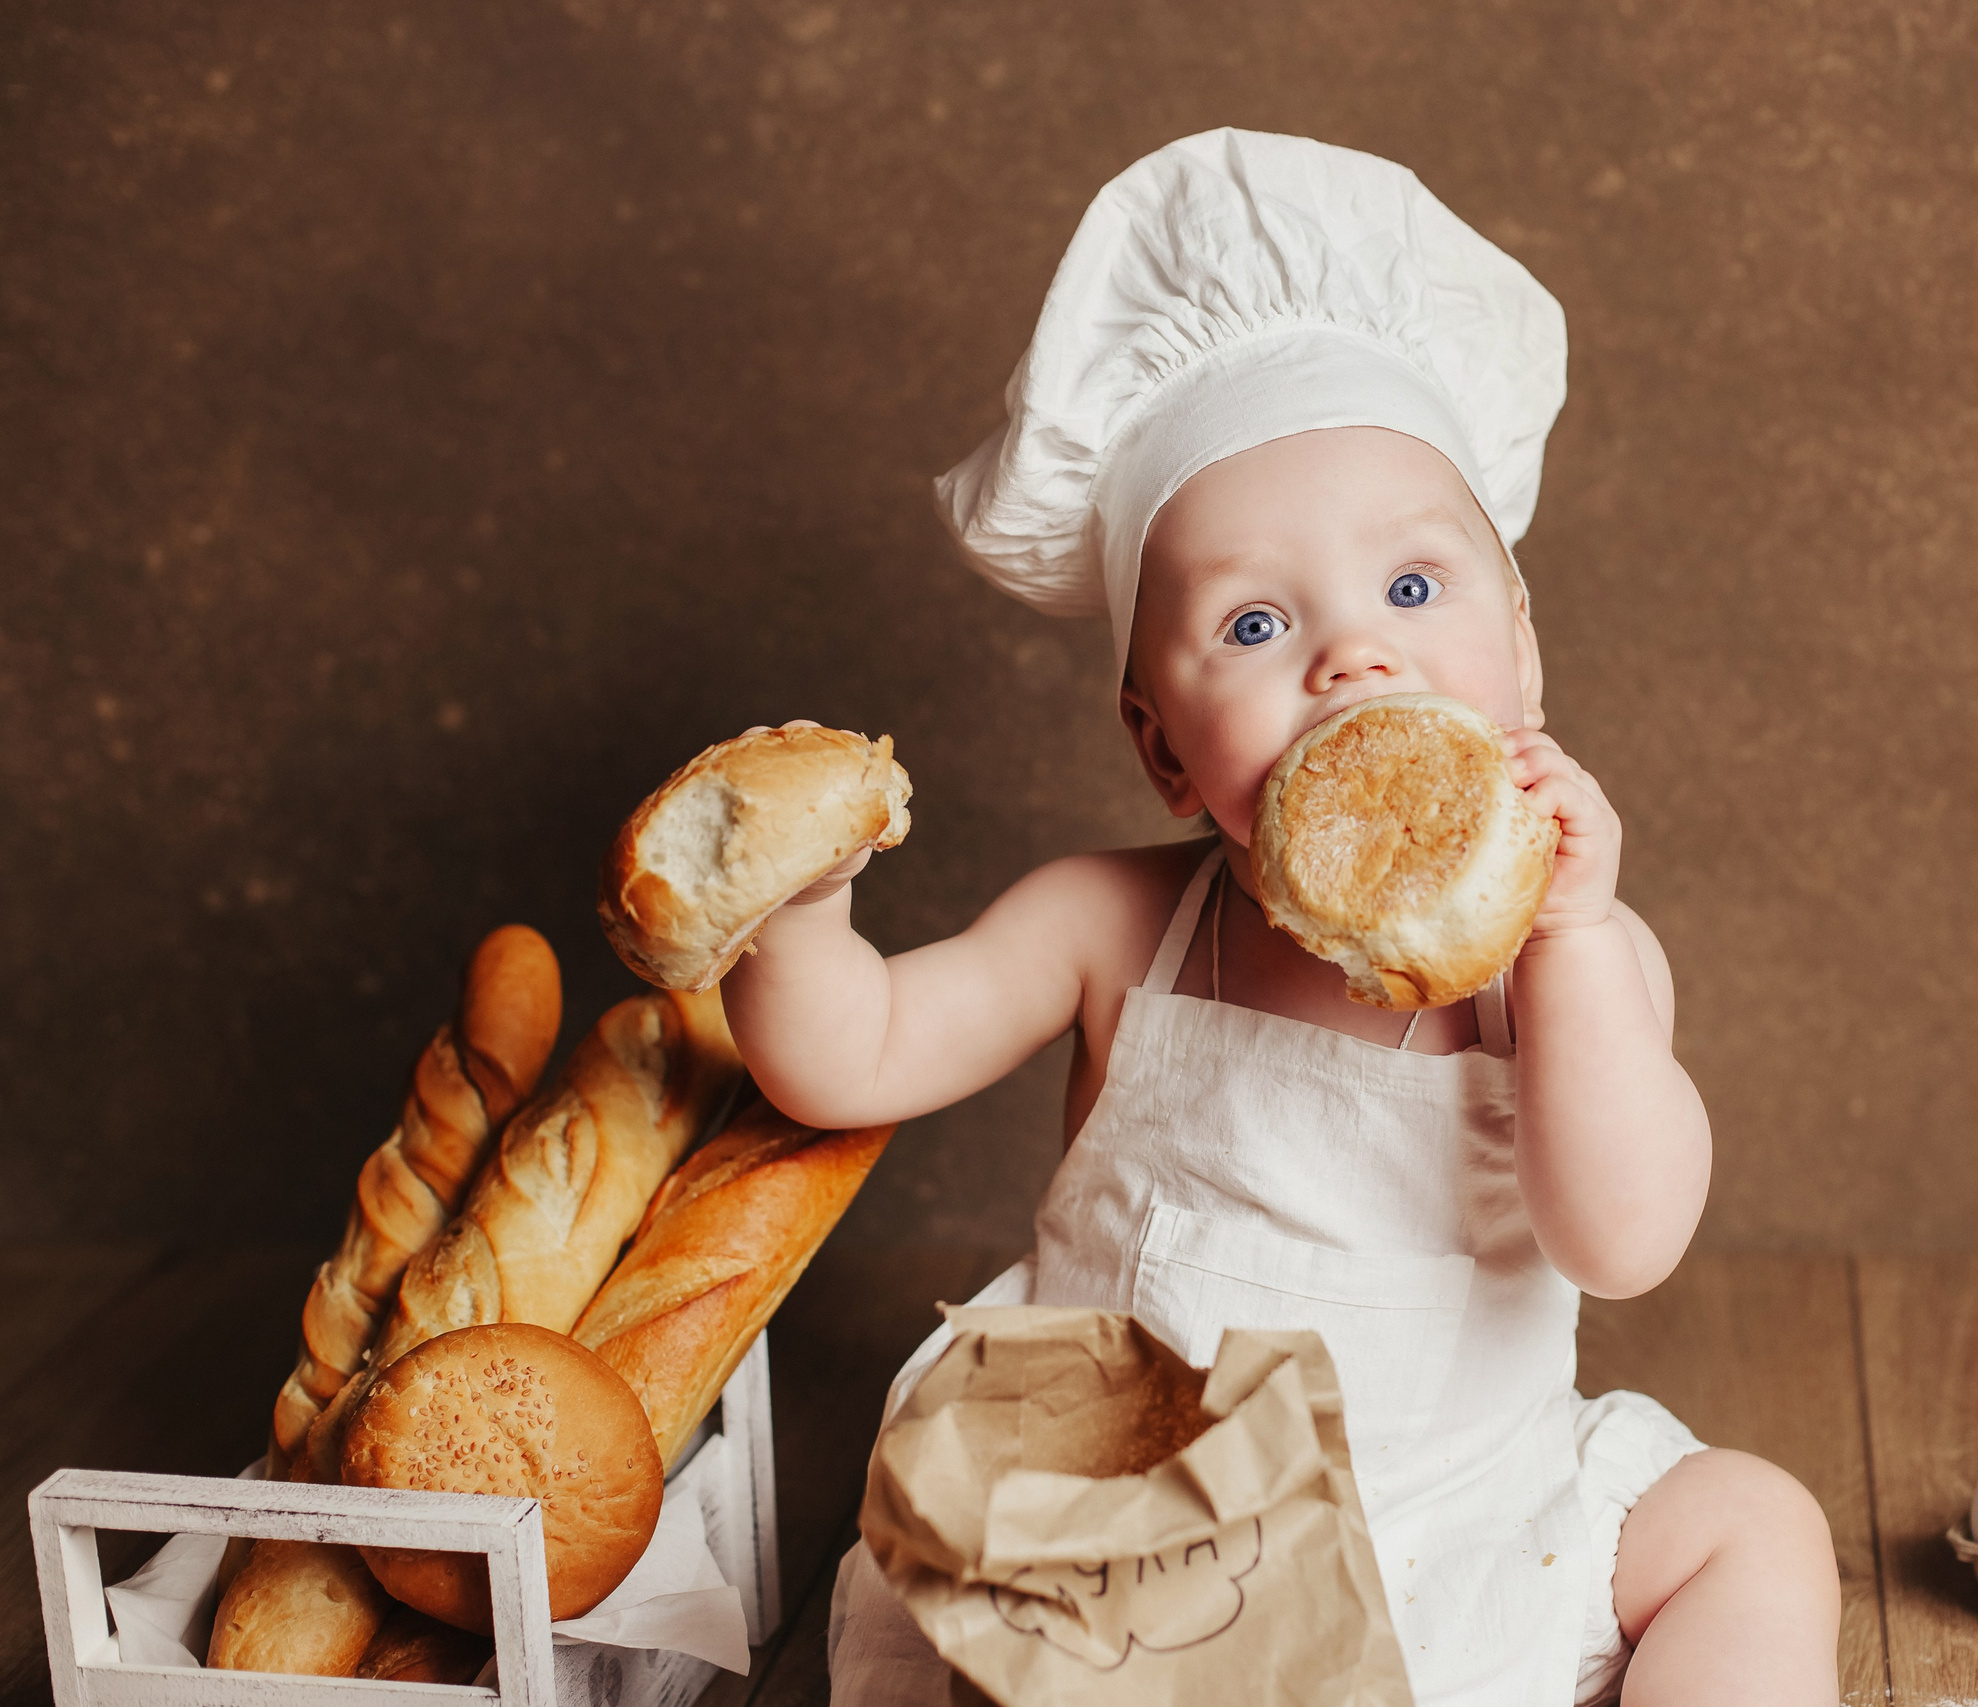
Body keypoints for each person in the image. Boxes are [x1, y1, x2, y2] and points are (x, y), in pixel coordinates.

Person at [725, 129, 1840, 1707]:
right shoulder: (1111, 922)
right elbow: (846, 1059)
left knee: (1754, 1526)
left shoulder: (1563, 963)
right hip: (1149, 1553)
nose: (1351, 661)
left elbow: (1625, 1238)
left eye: (1412, 588)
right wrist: (795, 906)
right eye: (1255, 622)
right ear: (1160, 742)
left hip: (1467, 1522)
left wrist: (1577, 944)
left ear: (1521, 650)